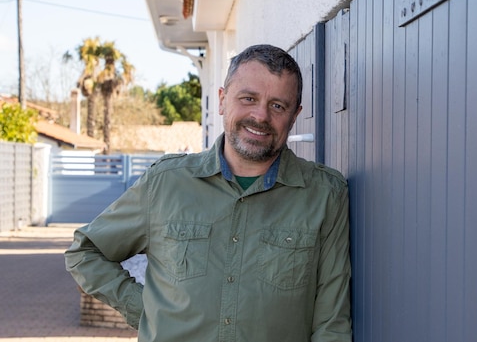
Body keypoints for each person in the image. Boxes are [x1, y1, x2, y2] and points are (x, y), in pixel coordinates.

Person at [64, 44, 352, 341]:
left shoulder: (325, 194)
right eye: (248, 98)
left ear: (295, 116)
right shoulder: (166, 183)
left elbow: (332, 323)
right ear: (222, 100)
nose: (260, 116)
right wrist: (145, 309)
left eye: (278, 105)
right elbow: (85, 252)